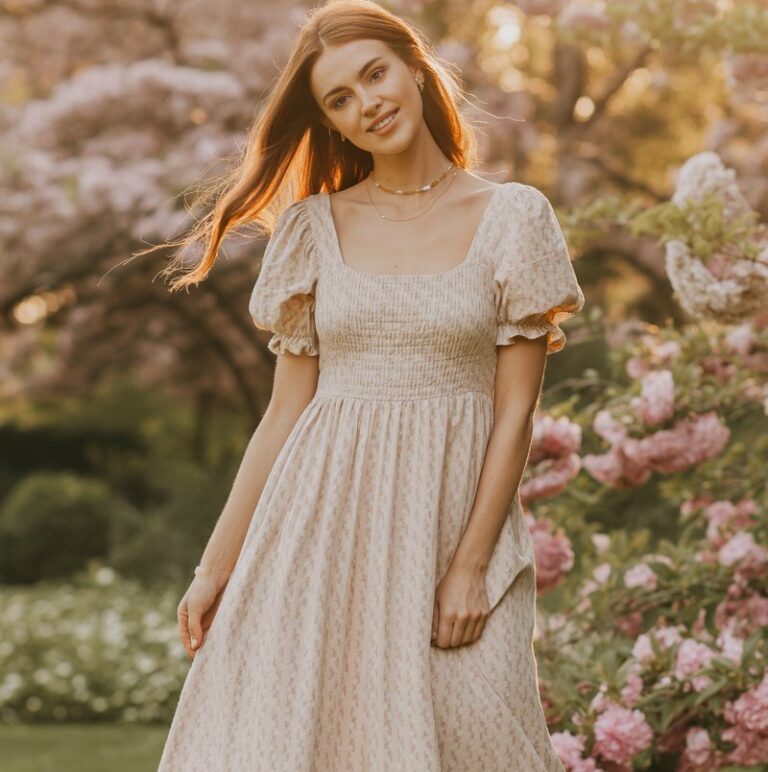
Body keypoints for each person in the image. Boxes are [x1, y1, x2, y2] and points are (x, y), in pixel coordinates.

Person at [156, 0, 585, 769]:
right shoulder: (312, 229)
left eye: (375, 74)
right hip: (317, 528)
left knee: (482, 738)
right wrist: (214, 568)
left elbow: (515, 409)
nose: (369, 104)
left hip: (448, 526)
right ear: (331, 125)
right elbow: (286, 413)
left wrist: (470, 566)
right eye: (340, 100)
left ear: (415, 67)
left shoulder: (514, 217)